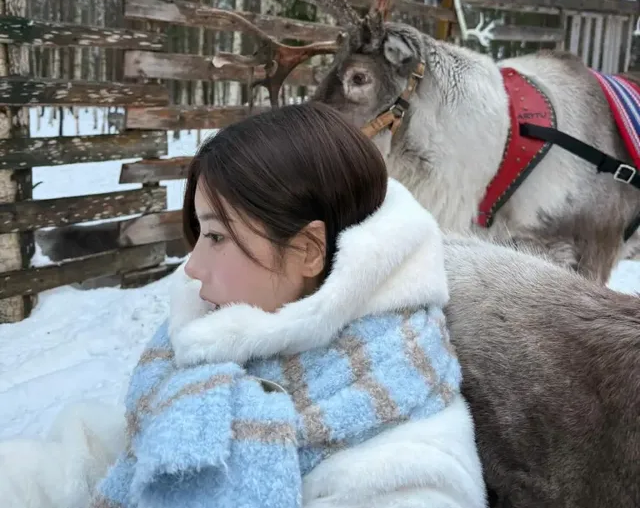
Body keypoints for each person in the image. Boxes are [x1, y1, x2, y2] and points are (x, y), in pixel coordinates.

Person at [0, 102, 486, 508]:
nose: (190, 268)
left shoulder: (406, 477)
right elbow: (113, 459)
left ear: (308, 250)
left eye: (215, 236)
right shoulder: (214, 359)